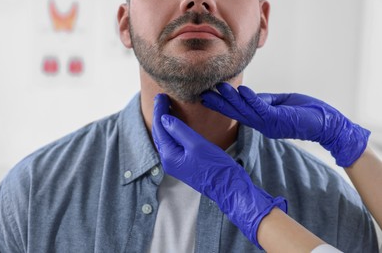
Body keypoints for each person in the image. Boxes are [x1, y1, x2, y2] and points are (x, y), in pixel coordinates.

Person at [0, 0, 379, 252]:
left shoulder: (336, 209)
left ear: (262, 22)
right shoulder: (30, 198)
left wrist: (348, 143)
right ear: (125, 25)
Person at [152, 82, 382, 252]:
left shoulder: (337, 204)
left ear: (262, 22)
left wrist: (240, 200)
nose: (198, 12)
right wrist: (344, 138)